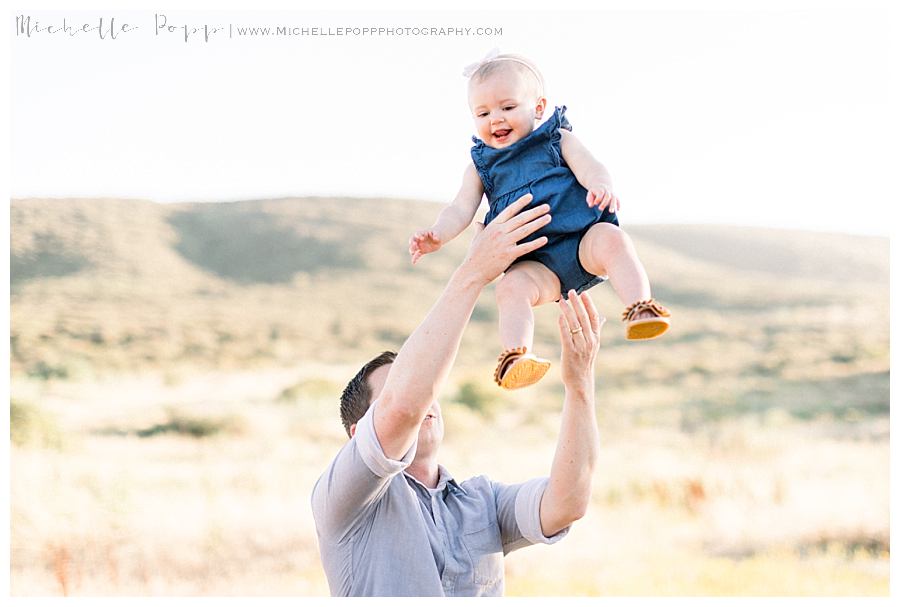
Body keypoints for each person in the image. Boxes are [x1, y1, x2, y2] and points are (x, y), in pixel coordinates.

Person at [312, 194, 603, 597]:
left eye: (428, 388)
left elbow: (566, 503)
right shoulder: (346, 499)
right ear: (358, 431)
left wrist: (579, 386)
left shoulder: (482, 502)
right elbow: (403, 406)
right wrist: (474, 272)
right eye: (400, 388)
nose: (425, 401)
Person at [408, 51, 671, 390]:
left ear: (538, 107)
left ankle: (640, 306)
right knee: (510, 287)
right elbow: (460, 208)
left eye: (507, 107)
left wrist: (601, 185)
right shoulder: (481, 167)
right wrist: (439, 236)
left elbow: (591, 166)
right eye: (483, 113)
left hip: (581, 241)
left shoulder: (556, 141)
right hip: (535, 264)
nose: (496, 119)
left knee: (612, 238)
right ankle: (516, 355)